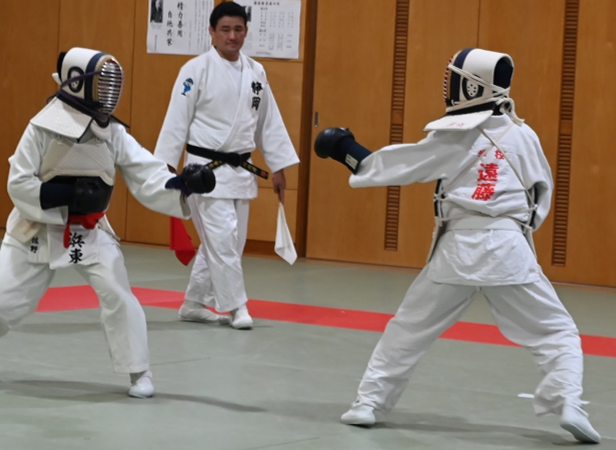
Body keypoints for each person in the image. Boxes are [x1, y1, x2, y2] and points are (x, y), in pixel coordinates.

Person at [314, 48, 601, 444]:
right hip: (509, 249)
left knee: (409, 329)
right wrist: (511, 228)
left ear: (469, 85)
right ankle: (569, 402)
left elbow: (397, 164)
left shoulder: (452, 135)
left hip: (457, 252)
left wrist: (348, 150)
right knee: (557, 333)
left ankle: (368, 404)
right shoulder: (524, 134)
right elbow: (541, 195)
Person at [0, 47, 215, 398]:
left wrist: (184, 184)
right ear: (79, 83)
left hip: (88, 229)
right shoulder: (41, 128)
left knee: (118, 293)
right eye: (103, 82)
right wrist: (63, 195)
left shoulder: (112, 132)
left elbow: (146, 172)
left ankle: (138, 370)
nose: (110, 90)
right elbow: (18, 182)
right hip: (36, 225)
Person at [154, 1, 300, 330]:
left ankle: (193, 304)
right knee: (223, 240)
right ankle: (237, 307)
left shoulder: (256, 72)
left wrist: (277, 166)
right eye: (225, 30)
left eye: (238, 29)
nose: (232, 36)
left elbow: (267, 122)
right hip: (203, 172)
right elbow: (176, 121)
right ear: (212, 32)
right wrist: (163, 167)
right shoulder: (195, 69)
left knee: (230, 242)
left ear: (246, 31)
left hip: (241, 173)